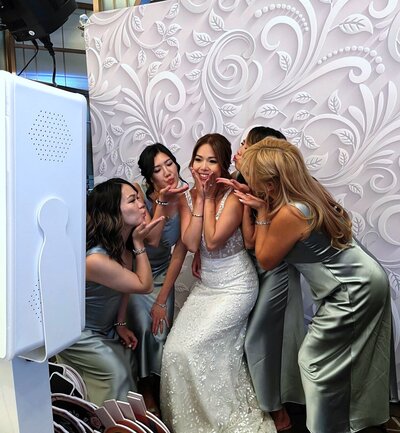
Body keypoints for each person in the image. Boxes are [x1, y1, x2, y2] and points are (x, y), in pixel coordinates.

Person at [236, 138, 391, 433]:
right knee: (349, 362)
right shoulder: (307, 191)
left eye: (255, 180)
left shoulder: (290, 213)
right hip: (362, 279)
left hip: (351, 290)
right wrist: (263, 207)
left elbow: (266, 258)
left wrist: (262, 212)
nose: (251, 185)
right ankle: (354, 423)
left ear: (270, 184)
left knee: (314, 362)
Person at [160, 133, 276, 433]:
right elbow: (189, 242)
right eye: (198, 159)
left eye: (212, 160)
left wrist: (209, 197)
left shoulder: (234, 197)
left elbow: (211, 242)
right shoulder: (190, 196)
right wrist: (198, 198)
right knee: (174, 351)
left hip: (235, 286)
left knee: (195, 349)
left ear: (224, 165)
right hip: (206, 286)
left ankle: (221, 418)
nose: (203, 166)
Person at [218, 126, 305, 431]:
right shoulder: (245, 183)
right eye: (241, 144)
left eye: (245, 144)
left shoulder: (274, 190)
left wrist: (249, 201)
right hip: (255, 269)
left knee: (258, 338)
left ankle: (278, 410)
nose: (239, 150)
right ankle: (276, 402)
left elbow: (254, 243)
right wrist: (241, 197)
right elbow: (247, 240)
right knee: (262, 339)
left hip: (276, 270)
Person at [57, 178, 163, 406]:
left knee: (130, 363)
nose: (141, 204)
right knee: (117, 373)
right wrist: (139, 243)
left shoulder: (119, 247)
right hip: (79, 335)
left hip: (106, 329)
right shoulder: (96, 259)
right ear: (114, 211)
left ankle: (126, 424)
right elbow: (144, 285)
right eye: (132, 200)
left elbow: (124, 288)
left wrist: (121, 323)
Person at [126, 143, 188, 416]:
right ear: (149, 177)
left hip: (164, 272)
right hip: (137, 271)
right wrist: (162, 201)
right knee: (142, 327)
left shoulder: (186, 195)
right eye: (158, 169)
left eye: (170, 164)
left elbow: (182, 250)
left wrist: (163, 298)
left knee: (161, 333)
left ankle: (163, 392)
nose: (167, 172)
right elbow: (151, 239)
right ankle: (145, 389)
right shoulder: (140, 194)